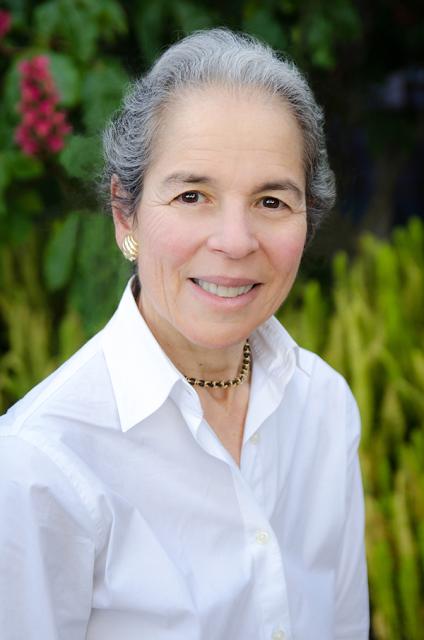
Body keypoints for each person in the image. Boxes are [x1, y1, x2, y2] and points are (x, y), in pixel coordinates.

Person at [0, 28, 369, 640]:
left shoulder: (325, 406)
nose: (234, 240)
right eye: (192, 194)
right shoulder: (37, 467)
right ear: (126, 215)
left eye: (272, 201)